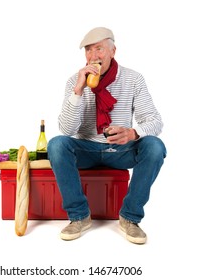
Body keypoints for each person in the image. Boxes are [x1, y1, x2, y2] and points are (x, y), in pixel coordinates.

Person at [48, 27, 167, 244]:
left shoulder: (133, 79)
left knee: (155, 145)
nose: (93, 56)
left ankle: (130, 218)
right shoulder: (75, 82)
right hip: (87, 149)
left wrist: (132, 133)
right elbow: (67, 130)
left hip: (120, 150)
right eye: (88, 50)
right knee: (56, 145)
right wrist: (78, 91)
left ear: (113, 51)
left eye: (99, 49)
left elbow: (154, 121)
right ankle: (79, 216)